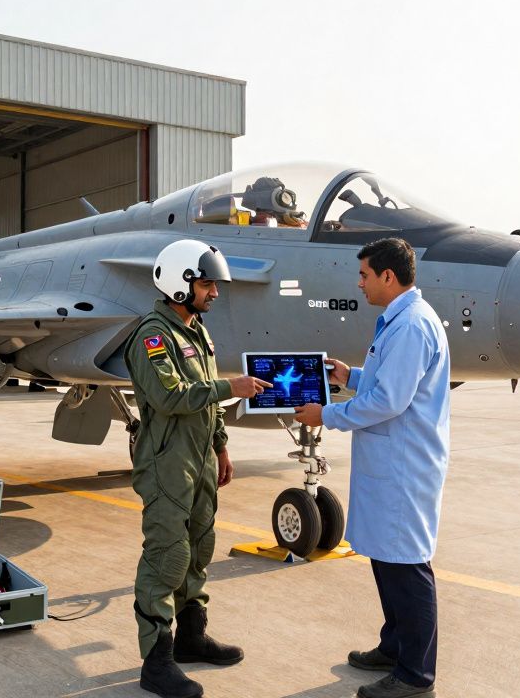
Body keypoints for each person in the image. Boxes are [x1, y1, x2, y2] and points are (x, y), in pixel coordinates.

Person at [293, 237, 451, 698]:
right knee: (387, 561)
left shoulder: (410, 327)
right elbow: (385, 383)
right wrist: (350, 377)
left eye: (364, 275)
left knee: (407, 568)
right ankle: (395, 646)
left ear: (388, 276)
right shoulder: (399, 321)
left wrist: (327, 415)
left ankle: (415, 676)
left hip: (404, 466)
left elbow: (388, 401)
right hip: (392, 462)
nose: (359, 283)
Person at [125, 239, 273, 698]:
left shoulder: (197, 331)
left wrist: (222, 447)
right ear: (180, 284)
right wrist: (232, 386)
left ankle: (191, 637)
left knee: (198, 549)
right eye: (208, 284)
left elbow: (207, 403)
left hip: (200, 460)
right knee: (166, 557)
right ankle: (157, 661)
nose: (215, 292)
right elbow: (170, 397)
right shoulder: (153, 335)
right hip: (167, 462)